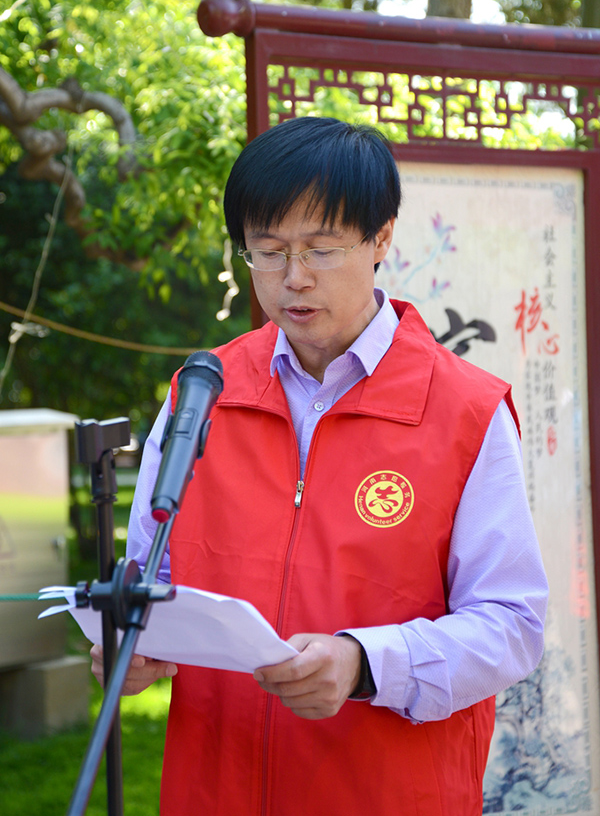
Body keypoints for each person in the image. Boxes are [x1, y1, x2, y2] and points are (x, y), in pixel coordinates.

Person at [91, 117, 548, 816]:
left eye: (321, 249)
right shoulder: (203, 392)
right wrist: (128, 647)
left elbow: (512, 624)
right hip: (214, 788)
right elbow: (153, 573)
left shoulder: (466, 410)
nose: (293, 278)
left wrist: (365, 664)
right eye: (268, 251)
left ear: (381, 239)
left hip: (389, 794)